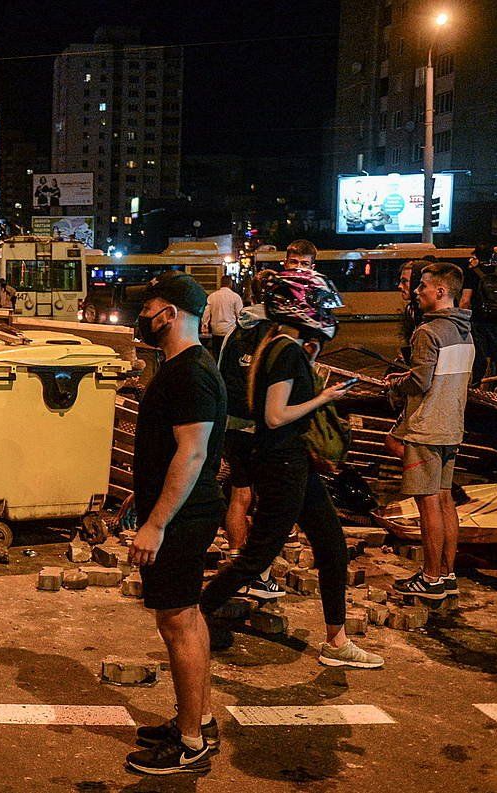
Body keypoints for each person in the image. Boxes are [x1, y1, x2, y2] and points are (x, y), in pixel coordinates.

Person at [200, 269, 384, 670]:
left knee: (331, 544)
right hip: (282, 461)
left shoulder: (274, 342)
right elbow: (276, 414)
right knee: (259, 552)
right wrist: (326, 397)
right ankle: (195, 617)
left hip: (289, 460)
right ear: (300, 307)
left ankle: (337, 641)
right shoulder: (286, 350)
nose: (324, 313)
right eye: (318, 305)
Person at [124, 271, 226, 775]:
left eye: (150, 307)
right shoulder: (180, 367)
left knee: (177, 621)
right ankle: (198, 719)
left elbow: (191, 454)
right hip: (184, 512)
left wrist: (156, 524)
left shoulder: (190, 373)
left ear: (172, 313)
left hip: (183, 517)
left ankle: (189, 745)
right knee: (187, 616)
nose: (143, 315)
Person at [386, 262, 474, 600]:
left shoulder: (428, 332)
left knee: (428, 504)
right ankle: (447, 574)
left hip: (426, 428)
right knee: (444, 498)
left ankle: (430, 577)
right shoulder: (465, 331)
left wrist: (395, 384)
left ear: (440, 291)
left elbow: (420, 381)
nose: (417, 291)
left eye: (423, 286)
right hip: (452, 426)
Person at [215, 303, 284, 599]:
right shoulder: (275, 333)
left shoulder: (235, 330)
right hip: (260, 429)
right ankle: (258, 575)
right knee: (263, 500)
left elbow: (220, 374)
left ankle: (235, 565)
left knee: (239, 495)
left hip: (233, 426)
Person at [461, 245, 497, 391]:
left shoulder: (472, 273)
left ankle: (482, 394)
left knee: (485, 359)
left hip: (480, 320)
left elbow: (465, 300)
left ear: (477, 255)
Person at [201, 275, 244, 355]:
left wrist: (205, 325)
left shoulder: (212, 296)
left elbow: (206, 313)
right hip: (230, 331)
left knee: (216, 354)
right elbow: (240, 315)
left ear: (221, 284)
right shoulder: (235, 297)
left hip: (216, 331)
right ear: (230, 284)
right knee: (228, 355)